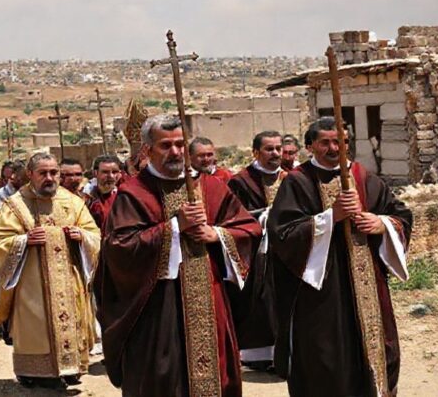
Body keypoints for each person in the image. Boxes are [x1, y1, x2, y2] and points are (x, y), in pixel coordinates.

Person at [95, 114, 261, 397]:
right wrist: (174, 228)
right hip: (158, 306)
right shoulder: (133, 193)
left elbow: (249, 228)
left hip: (210, 300)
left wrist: (216, 235)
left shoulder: (210, 186)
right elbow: (118, 248)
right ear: (148, 150)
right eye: (165, 145)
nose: (175, 152)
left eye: (180, 144)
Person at [268, 117, 413, 396]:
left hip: (368, 287)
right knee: (325, 358)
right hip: (321, 293)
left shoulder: (363, 177)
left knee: (378, 352)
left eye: (341, 141)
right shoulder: (298, 182)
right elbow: (282, 234)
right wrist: (330, 217)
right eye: (326, 142)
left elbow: (401, 215)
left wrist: (381, 224)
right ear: (310, 146)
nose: (335, 148)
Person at [0, 152, 101, 389]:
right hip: (32, 285)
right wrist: (23, 241)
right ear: (30, 175)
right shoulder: (15, 205)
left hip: (70, 280)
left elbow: (95, 234)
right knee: (36, 326)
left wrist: (81, 236)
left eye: (54, 173)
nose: (50, 178)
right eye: (43, 173)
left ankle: (71, 367)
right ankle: (34, 372)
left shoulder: (71, 201)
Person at [226, 131, 285, 371]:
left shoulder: (291, 178)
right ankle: (257, 355)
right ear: (255, 153)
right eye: (269, 149)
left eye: (278, 148)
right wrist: (263, 216)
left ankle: (284, 352)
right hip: (255, 253)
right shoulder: (240, 181)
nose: (276, 154)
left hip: (285, 252)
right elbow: (232, 217)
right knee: (259, 301)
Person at [0, 160, 27, 343]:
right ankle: (3, 325)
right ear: (13, 177)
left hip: (26, 249)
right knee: (1, 288)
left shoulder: (30, 195)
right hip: (3, 250)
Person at [86, 155, 122, 232]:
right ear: (95, 173)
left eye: (115, 172)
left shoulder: (125, 197)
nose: (111, 176)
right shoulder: (86, 197)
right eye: (105, 172)